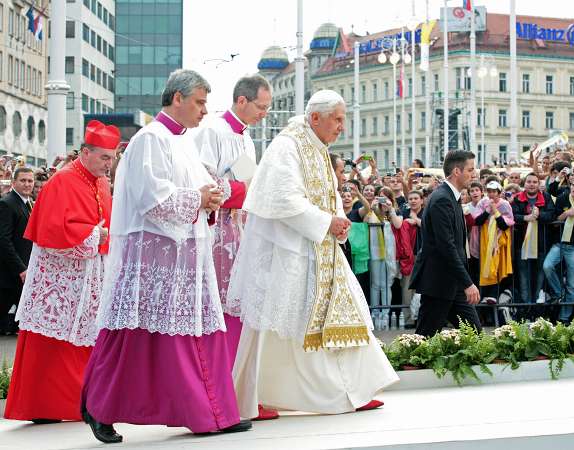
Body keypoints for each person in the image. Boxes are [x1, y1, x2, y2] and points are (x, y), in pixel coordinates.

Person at [81, 70, 251, 444]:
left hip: (187, 257)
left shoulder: (185, 143)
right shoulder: (149, 140)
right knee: (133, 337)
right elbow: (150, 198)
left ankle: (213, 412)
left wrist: (210, 198)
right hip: (153, 260)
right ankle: (98, 405)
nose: (205, 111)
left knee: (199, 333)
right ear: (177, 98)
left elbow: (194, 190)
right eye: (200, 102)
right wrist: (198, 199)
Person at [228, 90, 398, 419]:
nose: (342, 127)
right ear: (316, 117)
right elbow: (282, 199)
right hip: (286, 251)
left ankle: (357, 389)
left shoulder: (317, 146)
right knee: (274, 326)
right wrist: (326, 221)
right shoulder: (287, 145)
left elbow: (324, 193)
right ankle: (255, 396)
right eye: (337, 119)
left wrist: (339, 219)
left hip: (319, 248)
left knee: (347, 316)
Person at [4, 120, 119, 423]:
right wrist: (96, 235)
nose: (110, 164)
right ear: (85, 152)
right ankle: (44, 407)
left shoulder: (102, 182)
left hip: (89, 276)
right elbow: (55, 230)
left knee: (84, 340)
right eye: (104, 157)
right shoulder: (62, 181)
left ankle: (80, 402)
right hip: (59, 281)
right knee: (52, 343)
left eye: (112, 157)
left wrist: (105, 237)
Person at [192, 75, 278, 421]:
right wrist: (248, 192)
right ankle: (222, 396)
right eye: (261, 106)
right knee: (224, 314)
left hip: (243, 232)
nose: (264, 114)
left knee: (244, 312)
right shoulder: (212, 131)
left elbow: (246, 181)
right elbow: (205, 182)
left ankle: (243, 393)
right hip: (217, 237)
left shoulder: (247, 138)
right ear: (241, 101)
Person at [409, 151, 482, 337]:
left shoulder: (451, 197)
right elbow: (446, 246)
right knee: (423, 340)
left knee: (475, 335)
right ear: (457, 171)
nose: (474, 174)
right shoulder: (442, 199)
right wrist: (467, 282)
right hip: (438, 282)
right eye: (470, 169)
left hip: (452, 282)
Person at [543, 176, 574, 323]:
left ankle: (564, 318)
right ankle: (558, 292)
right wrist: (567, 214)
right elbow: (554, 220)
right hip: (559, 243)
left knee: (572, 283)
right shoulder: (562, 198)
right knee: (547, 266)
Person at [511, 173, 555, 320]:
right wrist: (525, 218)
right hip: (521, 245)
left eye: (535, 182)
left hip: (541, 245)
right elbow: (512, 216)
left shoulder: (546, 197)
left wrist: (539, 215)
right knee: (524, 279)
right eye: (529, 181)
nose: (531, 184)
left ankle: (536, 312)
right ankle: (525, 311)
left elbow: (552, 215)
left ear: (538, 184)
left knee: (539, 279)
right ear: (525, 183)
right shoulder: (517, 198)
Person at [0, 167, 34, 335]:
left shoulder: (28, 202)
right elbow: (3, 241)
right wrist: (21, 268)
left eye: (30, 181)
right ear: (14, 182)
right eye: (23, 180)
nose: (27, 184)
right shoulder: (7, 203)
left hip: (23, 271)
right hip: (10, 274)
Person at [398, 190, 424, 327]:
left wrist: (415, 219)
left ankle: (422, 317)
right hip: (408, 255)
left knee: (423, 287)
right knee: (407, 288)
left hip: (424, 254)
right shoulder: (403, 213)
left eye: (416, 198)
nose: (413, 201)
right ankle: (408, 319)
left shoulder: (426, 212)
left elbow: (427, 226)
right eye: (411, 199)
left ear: (421, 200)